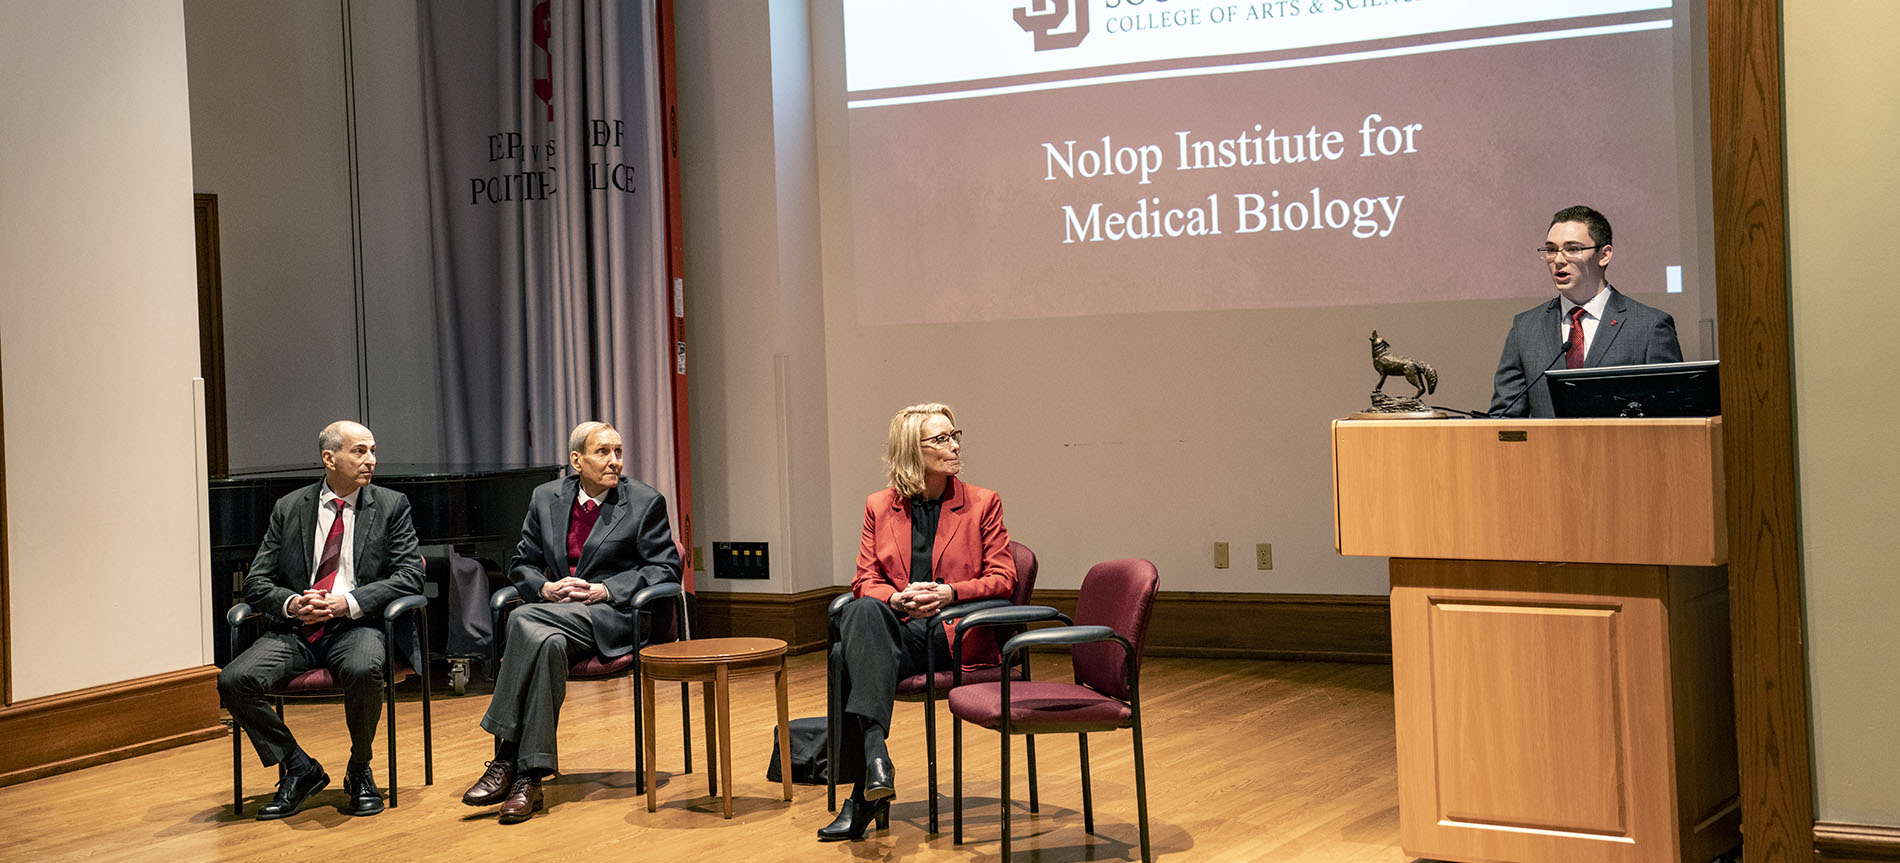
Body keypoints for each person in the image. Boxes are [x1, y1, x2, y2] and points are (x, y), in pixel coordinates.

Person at [460, 421, 681, 824]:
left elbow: (666, 570)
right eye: (603, 452)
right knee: (546, 644)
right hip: (556, 618)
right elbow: (522, 563)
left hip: (611, 618)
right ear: (576, 460)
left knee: (523, 618)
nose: (614, 461)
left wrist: (606, 590)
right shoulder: (546, 498)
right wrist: (545, 589)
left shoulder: (645, 502)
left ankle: (504, 756)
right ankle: (529, 777)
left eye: (618, 452)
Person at [820, 402, 1017, 842]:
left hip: (956, 633)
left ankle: (867, 785)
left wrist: (950, 592)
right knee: (863, 609)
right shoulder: (879, 506)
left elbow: (1004, 577)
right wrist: (896, 597)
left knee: (841, 654)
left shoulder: (983, 503)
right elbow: (865, 579)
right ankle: (874, 767)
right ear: (914, 450)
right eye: (942, 439)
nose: (955, 446)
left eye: (955, 435)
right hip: (902, 630)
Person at [218, 420, 425, 820]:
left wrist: (346, 602)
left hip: (356, 624)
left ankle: (359, 767)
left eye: (372, 451)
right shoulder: (290, 507)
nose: (371, 460)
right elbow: (258, 581)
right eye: (360, 451)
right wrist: (294, 603)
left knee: (365, 668)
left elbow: (409, 575)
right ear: (330, 458)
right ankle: (299, 767)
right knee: (232, 681)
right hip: (297, 628)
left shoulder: (391, 505)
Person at [1489, 205, 1684, 417]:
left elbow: (1671, 418)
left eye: (1572, 249)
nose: (1558, 260)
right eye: (1552, 249)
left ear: (1604, 255)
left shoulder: (1649, 327)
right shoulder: (1525, 329)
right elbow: (1504, 419)